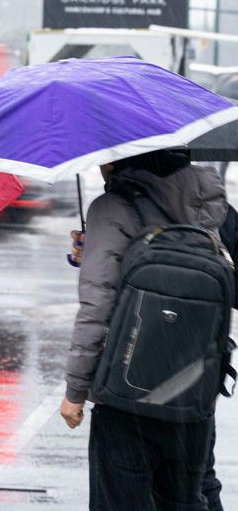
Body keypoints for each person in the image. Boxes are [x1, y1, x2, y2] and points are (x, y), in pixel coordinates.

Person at [60, 150, 228, 510]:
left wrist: (75, 390)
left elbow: (97, 307)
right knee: (190, 499)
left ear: (119, 155)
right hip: (194, 384)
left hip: (125, 391)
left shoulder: (111, 208)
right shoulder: (204, 196)